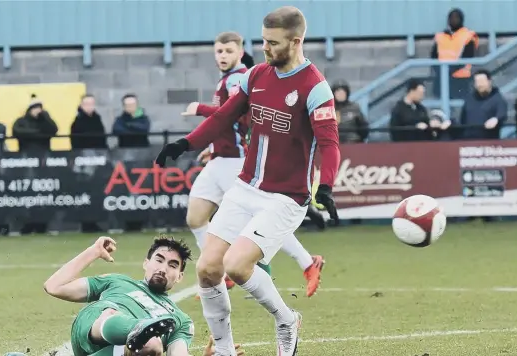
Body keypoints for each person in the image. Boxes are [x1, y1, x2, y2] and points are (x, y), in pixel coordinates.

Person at [156, 6, 340, 356]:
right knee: (208, 269)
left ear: (296, 41)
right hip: (245, 187)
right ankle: (224, 350)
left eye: (273, 42)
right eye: (263, 41)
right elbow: (224, 116)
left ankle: (287, 319)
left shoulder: (315, 88)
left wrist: (326, 185)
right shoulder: (256, 75)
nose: (265, 48)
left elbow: (330, 144)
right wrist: (185, 143)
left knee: (237, 265)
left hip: (286, 198)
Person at [181, 31, 325, 298]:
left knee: (262, 222)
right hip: (219, 160)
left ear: (240, 52)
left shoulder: (240, 77)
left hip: (237, 162)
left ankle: (305, 263)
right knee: (195, 217)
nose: (222, 56)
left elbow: (231, 114)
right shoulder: (229, 78)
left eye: (228, 51)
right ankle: (217, 272)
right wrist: (212, 148)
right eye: (218, 51)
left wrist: (199, 108)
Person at [43, 236, 244, 356]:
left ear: (180, 276)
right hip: (91, 327)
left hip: (122, 351)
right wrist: (93, 252)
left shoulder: (180, 321)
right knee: (111, 314)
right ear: (146, 263)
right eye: (159, 260)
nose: (163, 268)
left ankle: (138, 335)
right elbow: (54, 286)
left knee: (153, 346)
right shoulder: (117, 281)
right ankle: (135, 328)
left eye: (172, 265)